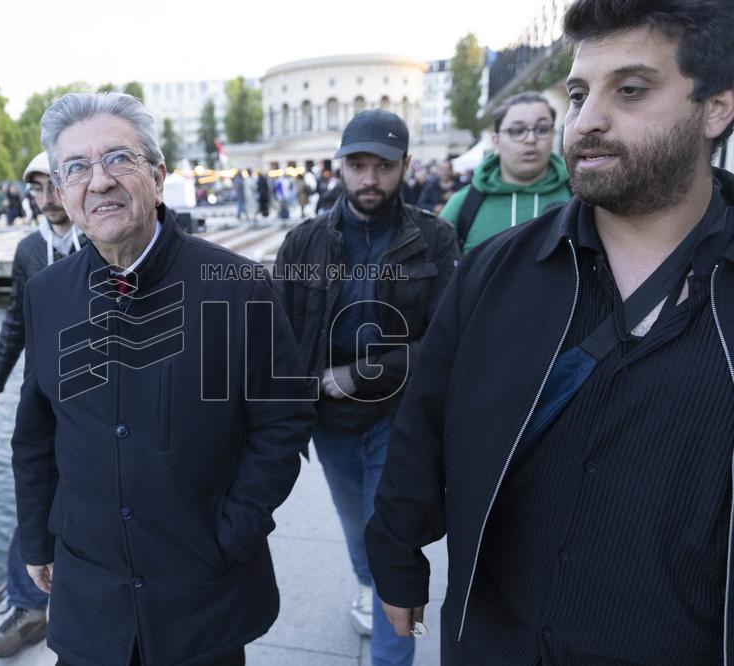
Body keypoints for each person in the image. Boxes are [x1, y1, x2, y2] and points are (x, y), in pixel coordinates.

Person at [366, 1, 734, 663]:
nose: (587, 120)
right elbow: (423, 422)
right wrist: (396, 555)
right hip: (496, 639)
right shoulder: (493, 271)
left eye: (630, 90)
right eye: (577, 92)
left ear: (716, 108)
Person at [13, 92, 314, 665]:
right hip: (89, 596)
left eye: (118, 159)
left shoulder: (239, 286)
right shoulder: (46, 294)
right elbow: (35, 432)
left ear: (156, 174)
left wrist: (234, 531)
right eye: (75, 168)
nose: (98, 181)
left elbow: (285, 422)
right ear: (60, 191)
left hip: (201, 594)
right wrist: (38, 538)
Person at [274, 109, 459, 666]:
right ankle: (367, 585)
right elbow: (276, 337)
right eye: (359, 165)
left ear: (405, 165)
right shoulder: (304, 241)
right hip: (328, 422)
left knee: (387, 538)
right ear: (341, 168)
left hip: (396, 416)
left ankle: (388, 654)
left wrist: (360, 374)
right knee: (357, 530)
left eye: (383, 165)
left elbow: (448, 341)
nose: (370, 179)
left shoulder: (435, 239)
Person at [0, 151, 85, 658]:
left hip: (103, 396)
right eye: (37, 190)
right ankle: (28, 604)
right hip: (44, 396)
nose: (46, 199)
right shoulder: (29, 250)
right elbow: (16, 319)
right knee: (35, 489)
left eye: (53, 186)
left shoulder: (103, 238)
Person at [441, 91, 573, 252]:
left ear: (553, 134)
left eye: (542, 129)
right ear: (495, 140)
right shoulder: (462, 204)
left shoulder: (580, 197)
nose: (531, 139)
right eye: (517, 131)